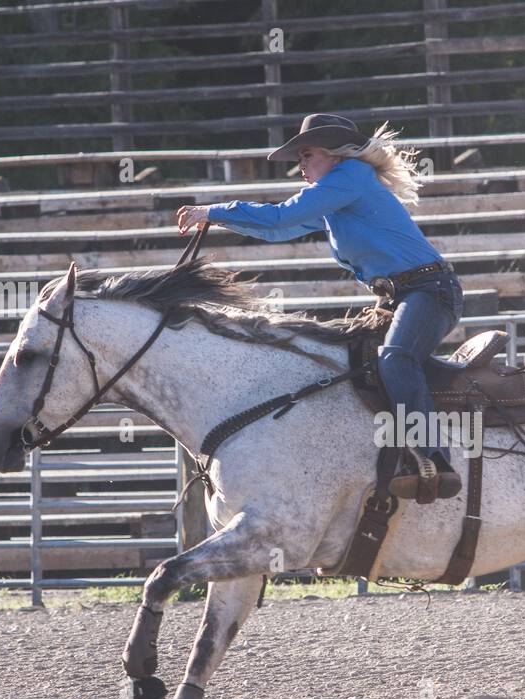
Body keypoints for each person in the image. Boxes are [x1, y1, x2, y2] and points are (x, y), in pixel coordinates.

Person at [175, 114, 464, 503]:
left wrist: (213, 211)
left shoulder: (350, 177)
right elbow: (277, 228)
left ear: (332, 154)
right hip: (406, 295)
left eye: (306, 156)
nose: (301, 167)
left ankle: (436, 460)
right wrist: (220, 218)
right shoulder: (338, 197)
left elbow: (279, 217)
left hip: (429, 291)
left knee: (395, 360)